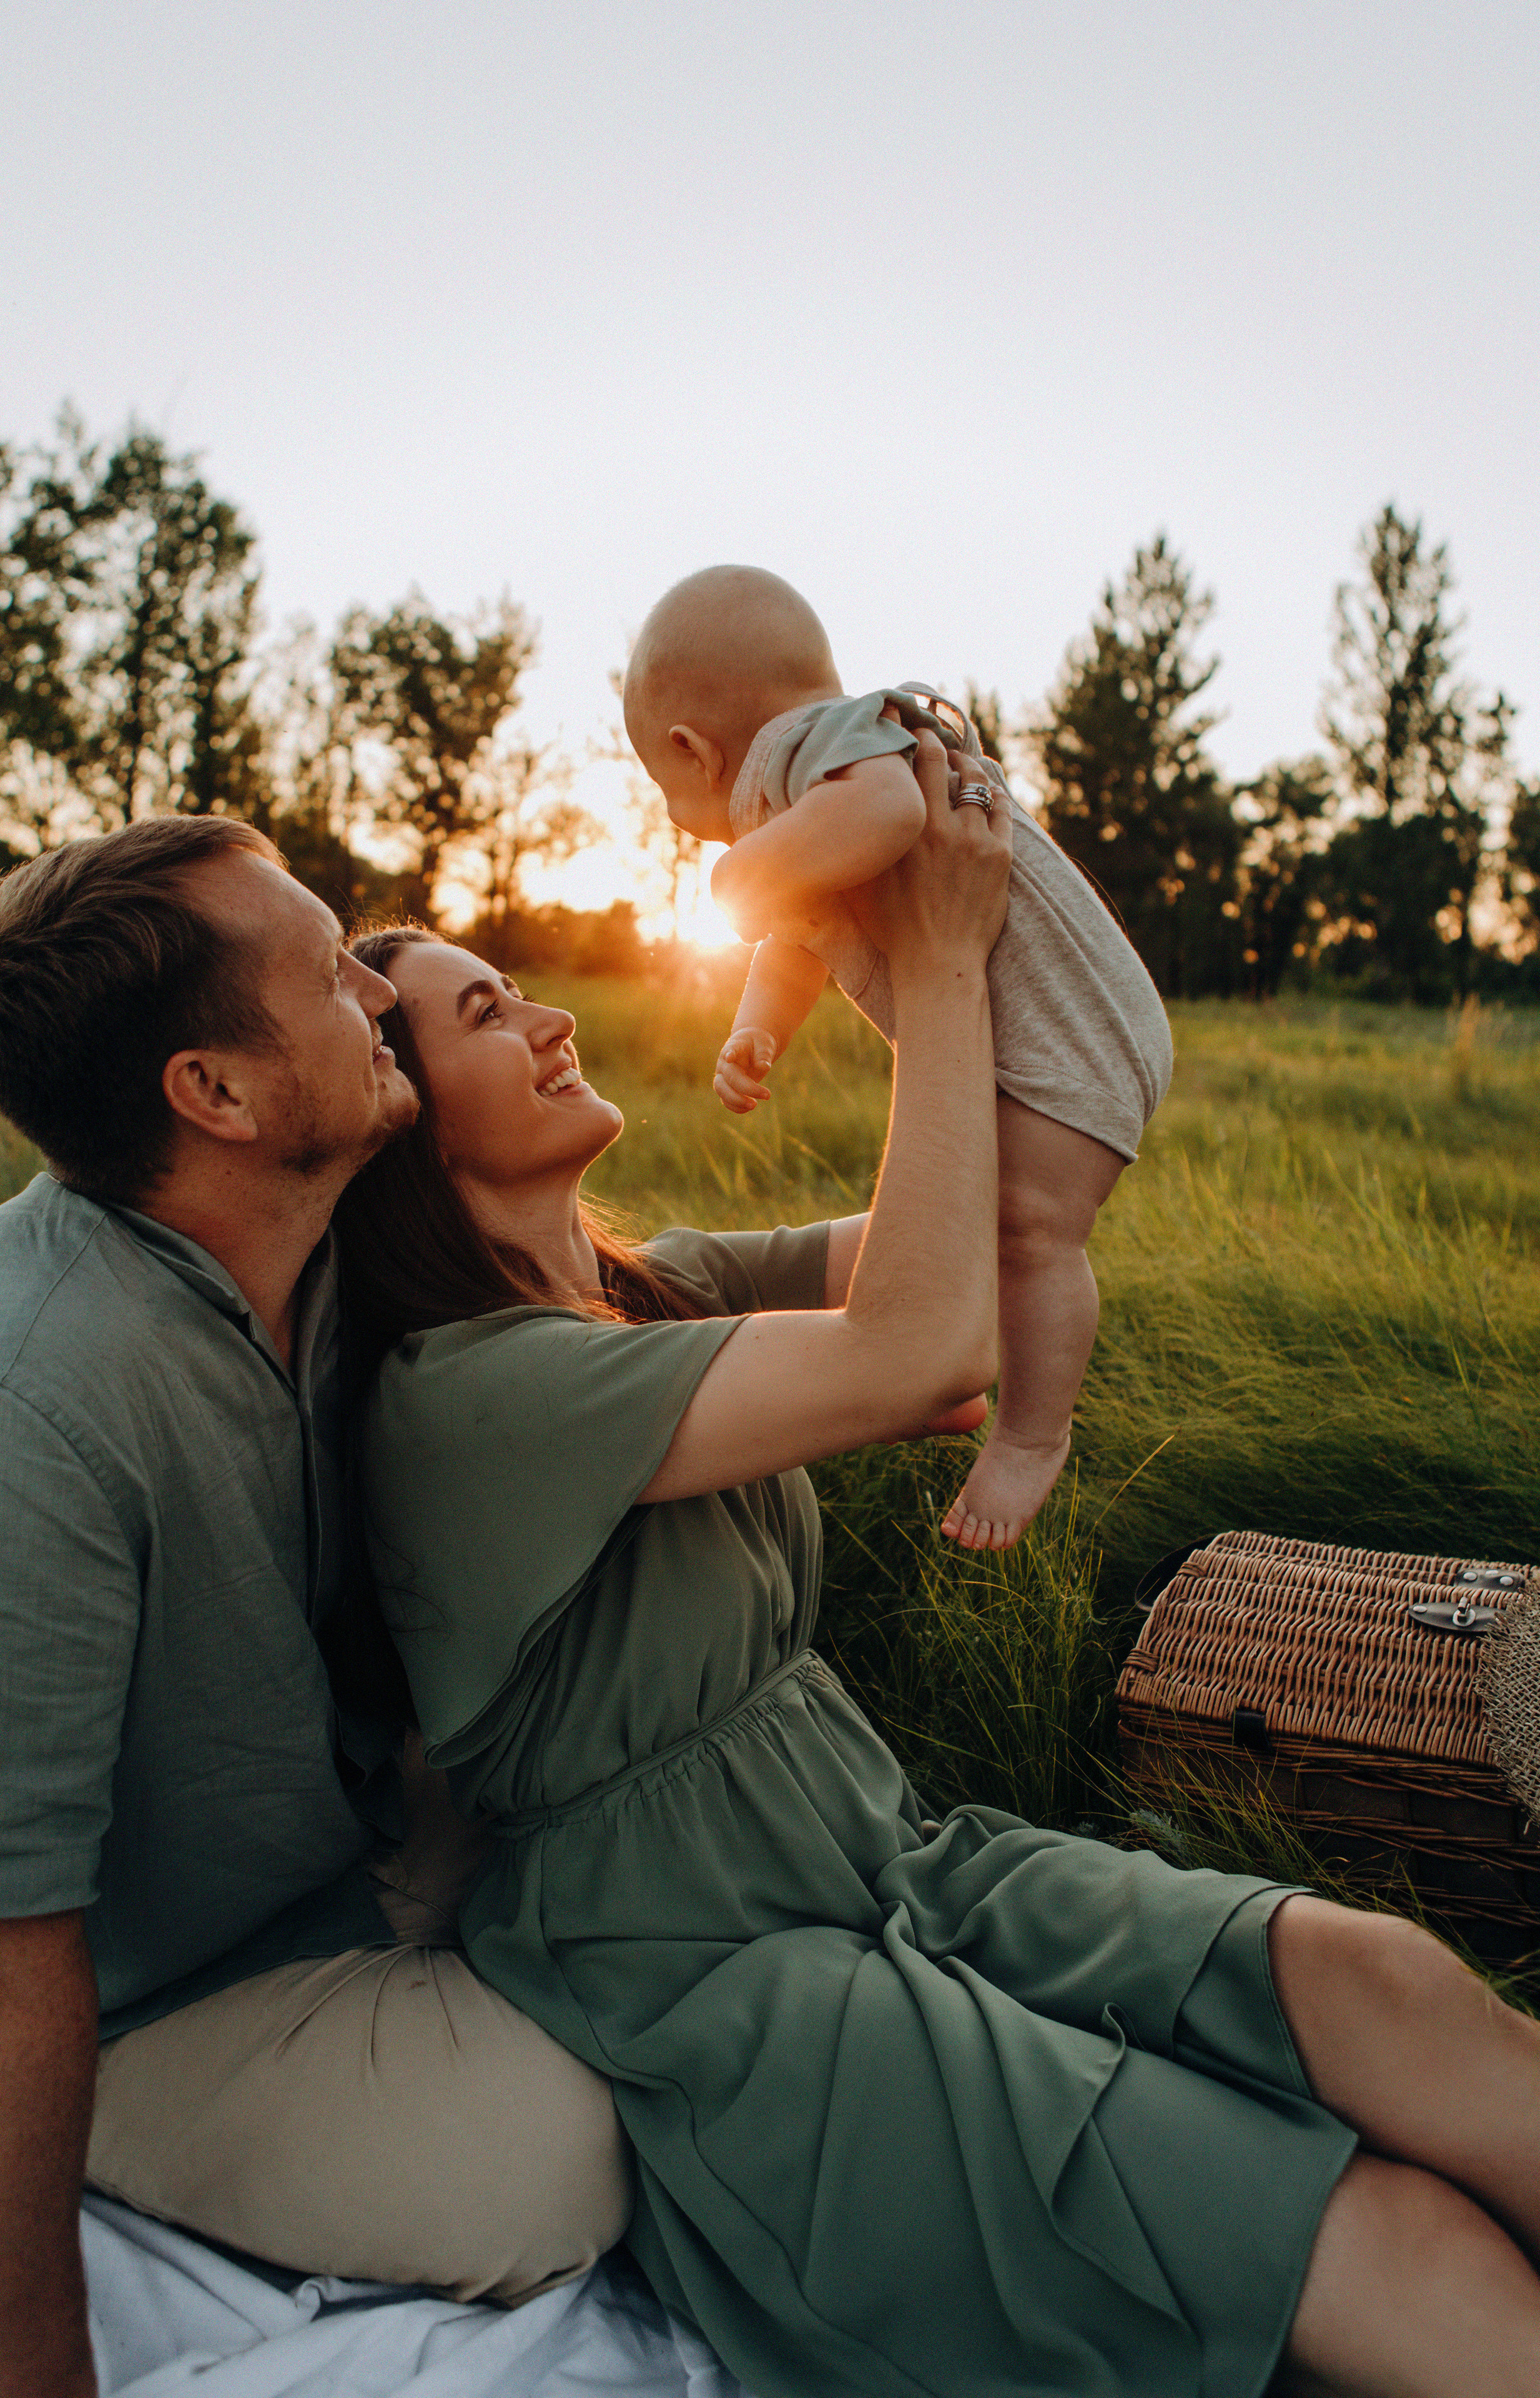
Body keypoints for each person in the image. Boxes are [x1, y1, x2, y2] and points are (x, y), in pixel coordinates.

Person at [335, 734, 1540, 2398]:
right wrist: (954, 965)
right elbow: (918, 1357)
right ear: (400, 1127)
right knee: (1380, 2234)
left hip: (880, 1853)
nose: (547, 1015)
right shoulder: (462, 1396)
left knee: (1379, 1979)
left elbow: (971, 1238)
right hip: (725, 1984)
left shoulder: (648, 1290)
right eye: (484, 1013)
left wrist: (918, 930)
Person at [0, 817, 632, 2398]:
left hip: (359, 1856)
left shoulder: (327, 1243)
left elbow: (665, 1294)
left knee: (726, 1931)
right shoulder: (17, 1396)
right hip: (156, 1996)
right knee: (558, 2170)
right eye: (333, 976)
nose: (380, 998)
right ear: (220, 1094)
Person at [621, 562, 1173, 1554]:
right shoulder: (811, 791)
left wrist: (736, 871)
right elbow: (797, 936)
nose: (676, 817)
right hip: (1078, 1028)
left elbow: (890, 816)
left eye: (666, 793)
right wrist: (759, 1029)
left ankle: (1033, 1435)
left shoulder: (816, 743)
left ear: (690, 749)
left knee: (1030, 1227)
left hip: (1072, 1038)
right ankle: (952, 1359)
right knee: (994, 1218)